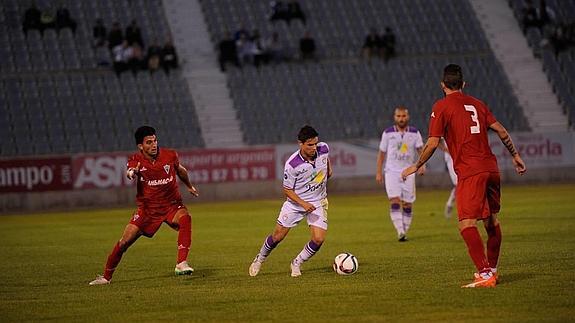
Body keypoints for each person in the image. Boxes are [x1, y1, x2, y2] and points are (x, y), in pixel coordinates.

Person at [401, 64, 526, 288]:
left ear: (442, 85)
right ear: (463, 84)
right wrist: (515, 155)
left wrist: (415, 165)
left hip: (471, 171)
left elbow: (432, 142)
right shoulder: (478, 104)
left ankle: (485, 273)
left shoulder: (441, 106)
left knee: (466, 224)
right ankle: (492, 270)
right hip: (491, 168)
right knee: (491, 221)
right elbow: (502, 131)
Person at [89, 126, 199, 285]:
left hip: (171, 205)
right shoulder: (136, 160)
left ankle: (181, 263)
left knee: (185, 218)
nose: (154, 145)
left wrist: (189, 185)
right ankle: (106, 277)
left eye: (155, 141)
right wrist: (132, 173)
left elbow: (180, 170)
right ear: (141, 146)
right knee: (124, 242)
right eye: (149, 142)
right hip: (148, 211)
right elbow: (130, 171)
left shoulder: (170, 155)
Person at [249, 125, 332, 277]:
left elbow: (326, 163)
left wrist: (328, 171)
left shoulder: (324, 149)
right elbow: (287, 190)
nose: (314, 147)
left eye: (315, 143)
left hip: (318, 202)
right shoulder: (292, 164)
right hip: (295, 205)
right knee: (277, 237)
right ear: (300, 144)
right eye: (310, 145)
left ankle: (296, 263)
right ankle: (259, 259)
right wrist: (303, 204)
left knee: (318, 239)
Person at [376, 106, 425, 242]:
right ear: (394, 117)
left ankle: (404, 229)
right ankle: (400, 231)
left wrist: (422, 165)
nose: (401, 119)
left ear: (407, 117)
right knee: (394, 200)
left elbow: (421, 150)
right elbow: (381, 153)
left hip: (408, 172)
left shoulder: (415, 133)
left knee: (408, 204)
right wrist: (379, 171)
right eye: (398, 116)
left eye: (403, 116)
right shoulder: (387, 133)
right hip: (391, 172)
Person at [439, 138, 457, 219]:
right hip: (451, 159)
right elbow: (436, 141)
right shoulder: (445, 125)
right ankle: (450, 204)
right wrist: (447, 150)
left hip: (464, 157)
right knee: (459, 184)